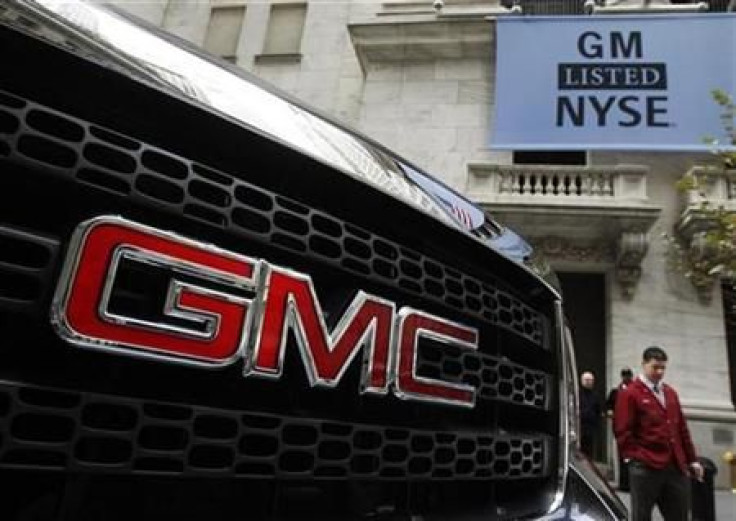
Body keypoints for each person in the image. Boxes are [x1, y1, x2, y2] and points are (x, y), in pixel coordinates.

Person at [614, 346, 704, 521]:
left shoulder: (670, 393)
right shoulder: (630, 393)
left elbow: (682, 430)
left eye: (663, 368)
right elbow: (622, 429)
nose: (660, 372)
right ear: (644, 364)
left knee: (679, 514)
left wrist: (692, 459)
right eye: (655, 367)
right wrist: (634, 457)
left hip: (675, 466)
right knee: (642, 515)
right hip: (646, 466)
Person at [606, 367, 634, 491]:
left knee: (632, 458)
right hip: (620, 429)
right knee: (621, 457)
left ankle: (632, 484)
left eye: (628, 375)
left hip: (634, 430)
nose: (626, 378)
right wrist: (610, 412)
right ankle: (623, 483)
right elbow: (608, 406)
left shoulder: (635, 391)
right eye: (624, 375)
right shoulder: (615, 392)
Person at [578, 371, 602, 459]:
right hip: (580, 426)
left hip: (590, 427)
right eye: (586, 380)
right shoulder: (577, 394)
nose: (588, 382)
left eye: (590, 380)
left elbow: (598, 410)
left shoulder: (595, 395)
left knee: (589, 450)